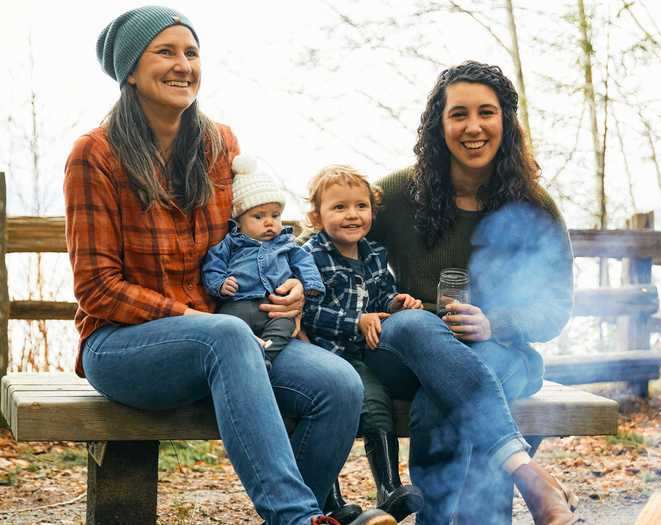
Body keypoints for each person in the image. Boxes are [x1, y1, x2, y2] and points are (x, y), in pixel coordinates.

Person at [63, 6, 396, 525]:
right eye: (165, 52)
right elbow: (97, 289)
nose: (183, 65)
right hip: (124, 345)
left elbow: (247, 246)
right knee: (225, 335)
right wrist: (195, 320)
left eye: (191, 53)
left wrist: (290, 291)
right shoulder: (96, 154)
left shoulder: (221, 145)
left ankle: (298, 514)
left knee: (339, 384)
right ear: (130, 69)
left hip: (234, 334)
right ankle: (297, 517)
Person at [365, 61, 578, 525]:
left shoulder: (533, 206)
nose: (474, 127)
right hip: (407, 357)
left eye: (487, 112)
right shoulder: (396, 194)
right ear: (438, 125)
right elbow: (323, 243)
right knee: (413, 323)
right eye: (458, 114)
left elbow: (555, 307)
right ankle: (529, 477)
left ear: (506, 121)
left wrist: (495, 322)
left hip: (498, 355)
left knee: (438, 403)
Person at [301, 166, 424, 523]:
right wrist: (357, 322)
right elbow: (307, 311)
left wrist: (396, 303)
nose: (352, 215)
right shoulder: (310, 255)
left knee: (375, 405)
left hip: (360, 356)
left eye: (361, 206)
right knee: (336, 415)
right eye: (339, 207)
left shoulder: (373, 254)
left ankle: (389, 487)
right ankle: (331, 498)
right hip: (323, 356)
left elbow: (382, 295)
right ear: (316, 215)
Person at [201, 155, 325, 370]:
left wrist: (311, 285)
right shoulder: (231, 243)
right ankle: (241, 355)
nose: (269, 222)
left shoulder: (285, 243)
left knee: (285, 327)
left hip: (274, 306)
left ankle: (265, 357)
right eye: (258, 217)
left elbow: (304, 261)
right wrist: (220, 284)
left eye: (275, 215)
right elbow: (213, 265)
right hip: (237, 304)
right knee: (229, 327)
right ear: (239, 221)